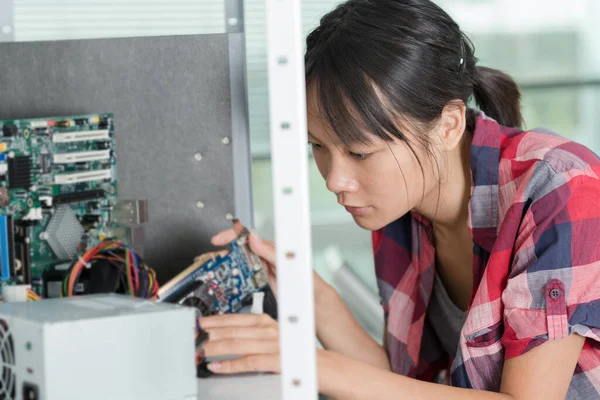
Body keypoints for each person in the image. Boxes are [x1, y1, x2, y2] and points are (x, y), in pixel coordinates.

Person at [198, 0, 600, 398]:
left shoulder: (562, 187)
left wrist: (306, 361)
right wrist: (312, 296)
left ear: (448, 125)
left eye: (359, 153)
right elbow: (402, 389)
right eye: (317, 147)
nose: (335, 180)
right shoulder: (403, 202)